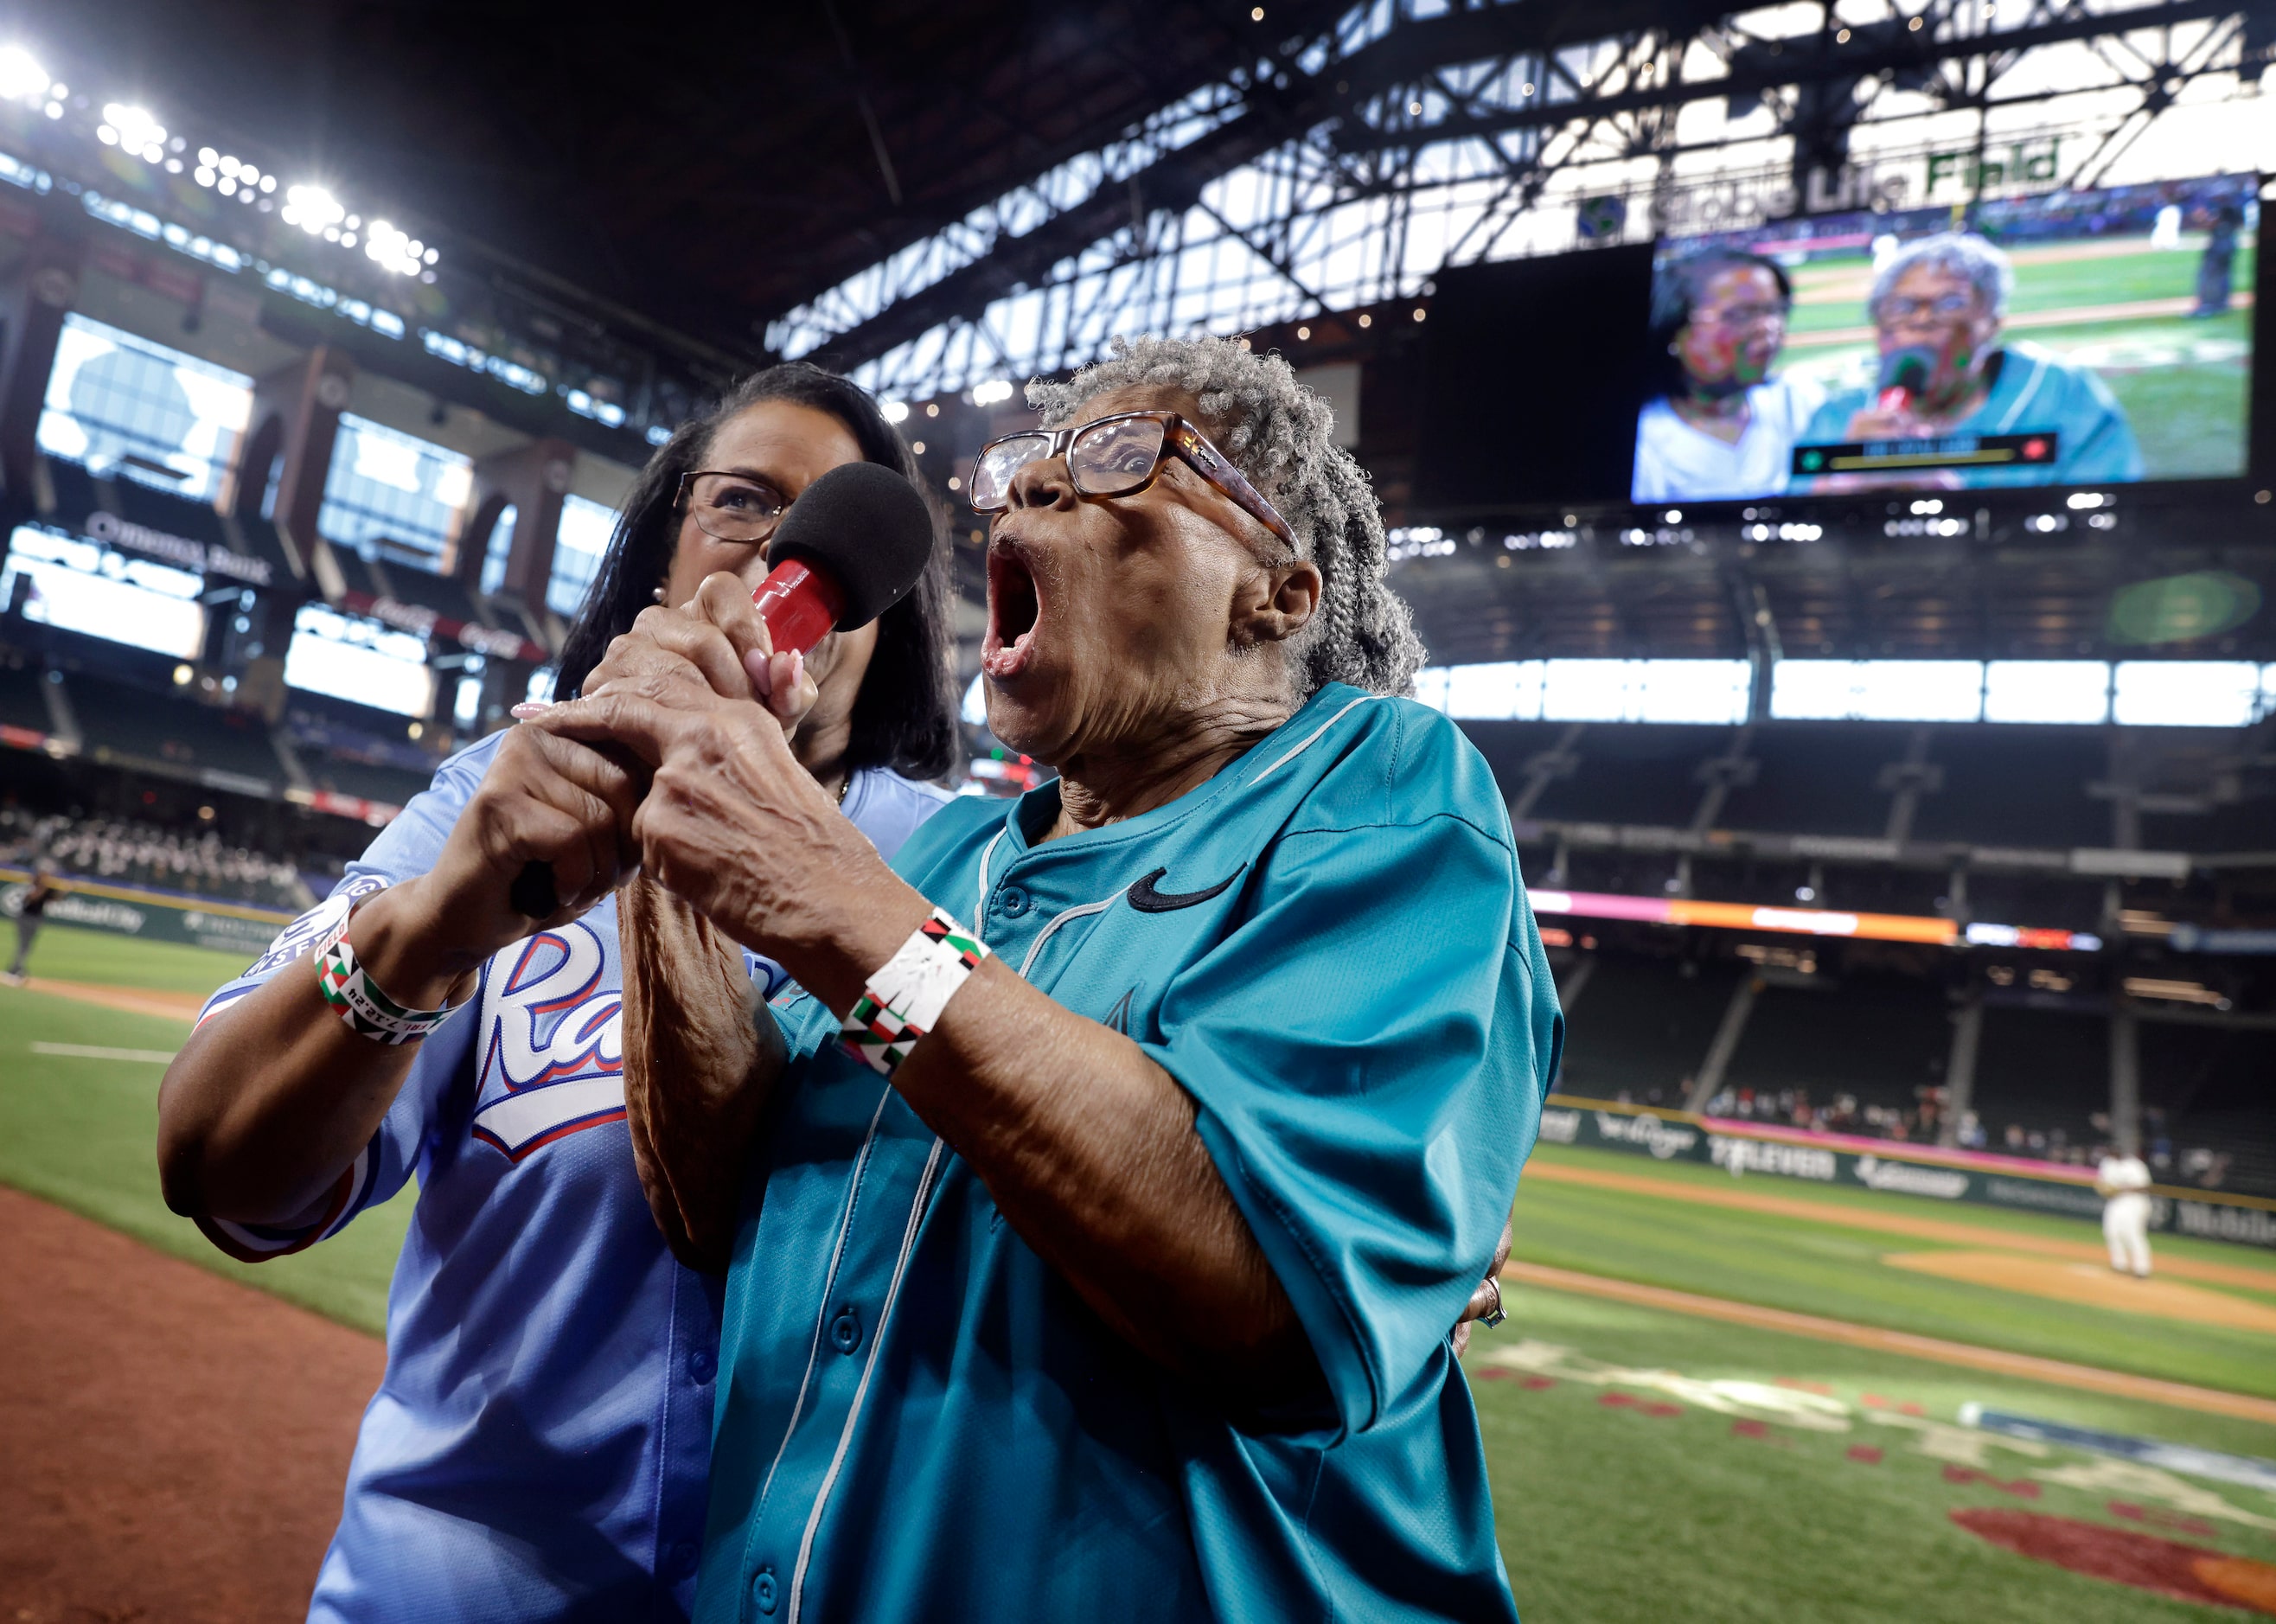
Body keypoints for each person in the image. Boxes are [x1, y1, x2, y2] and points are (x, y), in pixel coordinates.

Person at [528, 336, 1557, 1621]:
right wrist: (672, 828)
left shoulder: (1381, 792)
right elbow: (720, 1202)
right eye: (1026, 469)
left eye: (1129, 456)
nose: (1031, 491)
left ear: (1278, 595)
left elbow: (1276, 1305)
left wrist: (834, 900)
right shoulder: (954, 850)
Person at [153, 361, 962, 1622]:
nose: (790, 560)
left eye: (841, 535)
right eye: (746, 501)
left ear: (885, 625)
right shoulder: (501, 792)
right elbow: (214, 1160)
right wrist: (437, 921)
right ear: (662, 557)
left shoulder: (970, 867)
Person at [1793, 231, 2143, 490]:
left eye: (1949, 303)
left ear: (1991, 323)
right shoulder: (1837, 415)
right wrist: (1830, 491)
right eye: (1901, 307)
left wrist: (1948, 497)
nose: (1921, 321)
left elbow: (2112, 521)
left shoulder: (2059, 394)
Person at [1632, 246, 1823, 503]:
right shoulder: (1644, 443)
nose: (1768, 327)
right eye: (1742, 314)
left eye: (1776, 310)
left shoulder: (1800, 401)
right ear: (1674, 331)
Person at [2096, 1140, 2154, 1278]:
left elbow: (2145, 1186)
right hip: (2115, 1202)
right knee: (2111, 1232)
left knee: (2133, 1234)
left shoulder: (2134, 1165)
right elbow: (2102, 1183)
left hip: (2134, 1202)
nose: (2112, 1154)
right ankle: (2119, 1264)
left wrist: (2121, 1188)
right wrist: (2105, 1189)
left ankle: (2142, 1268)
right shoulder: (2107, 1163)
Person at [5, 860, 58, 983]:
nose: (47, 876)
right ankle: (14, 970)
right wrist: (43, 887)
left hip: (36, 919)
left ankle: (17, 968)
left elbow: (54, 899)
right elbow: (32, 898)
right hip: (25, 918)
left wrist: (67, 890)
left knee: (27, 946)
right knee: (24, 945)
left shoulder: (46, 888)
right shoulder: (33, 884)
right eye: (45, 874)